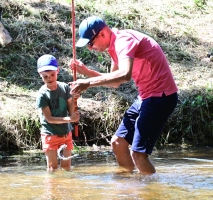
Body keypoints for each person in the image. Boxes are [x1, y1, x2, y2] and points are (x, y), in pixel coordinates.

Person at [69, 16, 178, 175]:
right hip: (146, 96)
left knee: (138, 154)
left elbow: (125, 75)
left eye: (90, 43)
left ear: (102, 34)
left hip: (161, 97)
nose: (90, 48)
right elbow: (114, 82)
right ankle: (127, 187)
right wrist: (86, 73)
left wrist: (88, 82)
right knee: (118, 143)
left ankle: (150, 192)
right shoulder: (113, 46)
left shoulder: (123, 41)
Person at [36, 54, 80, 172]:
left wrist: (74, 98)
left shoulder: (64, 87)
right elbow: (49, 118)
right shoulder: (42, 95)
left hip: (66, 134)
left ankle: (66, 189)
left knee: (66, 167)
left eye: (52, 75)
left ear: (58, 71)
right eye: (45, 76)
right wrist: (69, 119)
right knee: (52, 168)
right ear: (40, 75)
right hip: (50, 135)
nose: (49, 78)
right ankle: (52, 190)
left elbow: (70, 106)